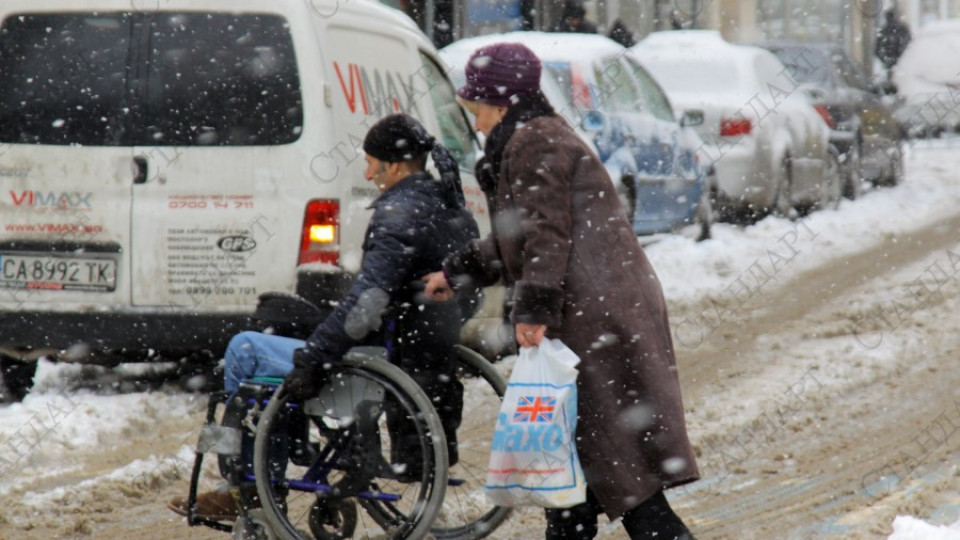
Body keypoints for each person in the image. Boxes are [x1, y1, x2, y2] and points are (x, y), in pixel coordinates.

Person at [422, 42, 700, 540]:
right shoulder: (534, 137)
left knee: (617, 467)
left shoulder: (536, 142)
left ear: (501, 104)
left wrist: (533, 310)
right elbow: (521, 233)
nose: (476, 123)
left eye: (478, 110)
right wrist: (458, 270)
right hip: (597, 308)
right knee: (580, 468)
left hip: (595, 316)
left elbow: (546, 234)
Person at [169, 113, 480, 520]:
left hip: (380, 357)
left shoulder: (399, 213)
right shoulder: (451, 208)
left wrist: (314, 357)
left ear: (396, 165)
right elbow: (467, 297)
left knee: (244, 349)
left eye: (371, 163)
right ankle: (280, 454)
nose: (368, 174)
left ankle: (248, 486)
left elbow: (367, 304)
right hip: (415, 349)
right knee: (278, 315)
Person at [876, 8, 911, 79]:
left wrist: (886, 59)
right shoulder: (902, 29)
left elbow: (877, 49)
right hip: (900, 64)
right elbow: (908, 46)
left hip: (892, 63)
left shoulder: (884, 31)